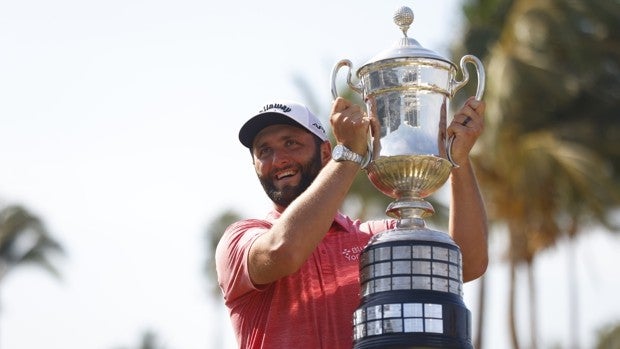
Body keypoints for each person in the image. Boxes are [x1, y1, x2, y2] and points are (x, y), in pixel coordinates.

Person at [215, 96, 489, 349]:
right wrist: (348, 155)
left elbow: (466, 263)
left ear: (324, 153)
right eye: (264, 151)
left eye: (291, 143)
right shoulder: (240, 239)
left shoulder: (373, 239)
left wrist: (459, 160)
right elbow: (284, 251)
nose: (278, 159)